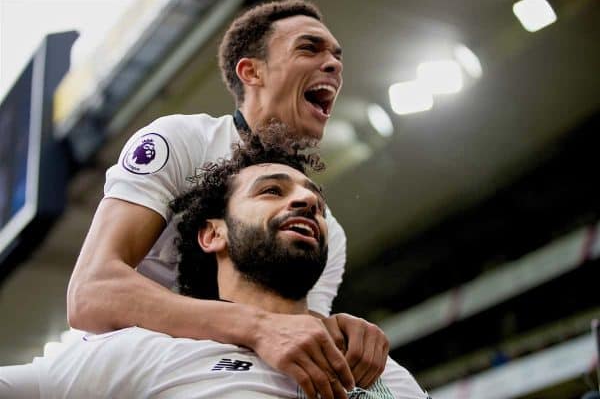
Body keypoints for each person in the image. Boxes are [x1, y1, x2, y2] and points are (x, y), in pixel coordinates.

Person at [66, 1, 390, 397]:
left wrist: (340, 333)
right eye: (309, 48)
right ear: (251, 71)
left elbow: (291, 335)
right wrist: (254, 325)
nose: (335, 65)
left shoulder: (325, 233)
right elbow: (91, 294)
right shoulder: (181, 142)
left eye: (337, 56)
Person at [0, 135, 429, 399]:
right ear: (213, 234)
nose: (306, 201)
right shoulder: (144, 353)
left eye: (314, 198)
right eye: (271, 191)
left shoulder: (379, 369)